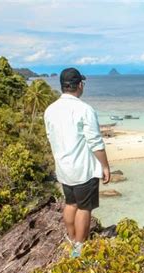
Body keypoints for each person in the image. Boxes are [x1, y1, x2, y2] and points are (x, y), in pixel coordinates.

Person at [44, 68, 110, 258]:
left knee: (70, 204)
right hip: (83, 169)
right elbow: (95, 142)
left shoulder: (50, 110)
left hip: (63, 169)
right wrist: (105, 166)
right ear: (80, 85)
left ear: (63, 86)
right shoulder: (84, 109)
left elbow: (51, 137)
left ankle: (72, 240)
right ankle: (79, 248)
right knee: (84, 208)